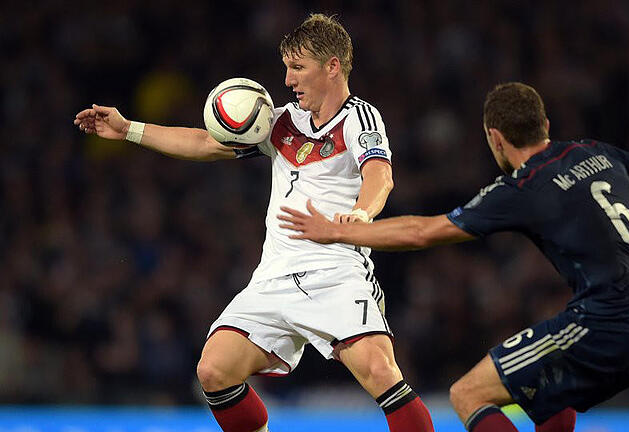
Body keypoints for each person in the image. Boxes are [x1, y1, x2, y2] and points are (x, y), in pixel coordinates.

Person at [74, 13, 434, 432]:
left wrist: (361, 213)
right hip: (274, 278)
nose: (287, 79)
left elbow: (380, 175)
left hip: (335, 271)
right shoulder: (280, 121)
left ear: (332, 66)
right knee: (214, 370)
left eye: (297, 67)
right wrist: (130, 129)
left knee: (379, 371)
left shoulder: (360, 119)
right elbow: (206, 142)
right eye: (286, 68)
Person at [279, 82, 629, 432]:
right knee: (550, 394)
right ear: (546, 125)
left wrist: (338, 231)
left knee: (468, 395)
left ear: (494, 138)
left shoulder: (524, 187)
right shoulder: (595, 152)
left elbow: (421, 232)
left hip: (605, 326)